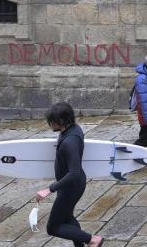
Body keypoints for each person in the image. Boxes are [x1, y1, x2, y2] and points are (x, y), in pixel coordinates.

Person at [35, 102, 104, 247]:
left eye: (51, 121)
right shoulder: (73, 129)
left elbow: (74, 172)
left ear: (60, 121)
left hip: (71, 187)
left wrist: (49, 189)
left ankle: (93, 240)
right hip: (70, 185)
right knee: (67, 218)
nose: (50, 124)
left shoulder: (70, 142)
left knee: (53, 227)